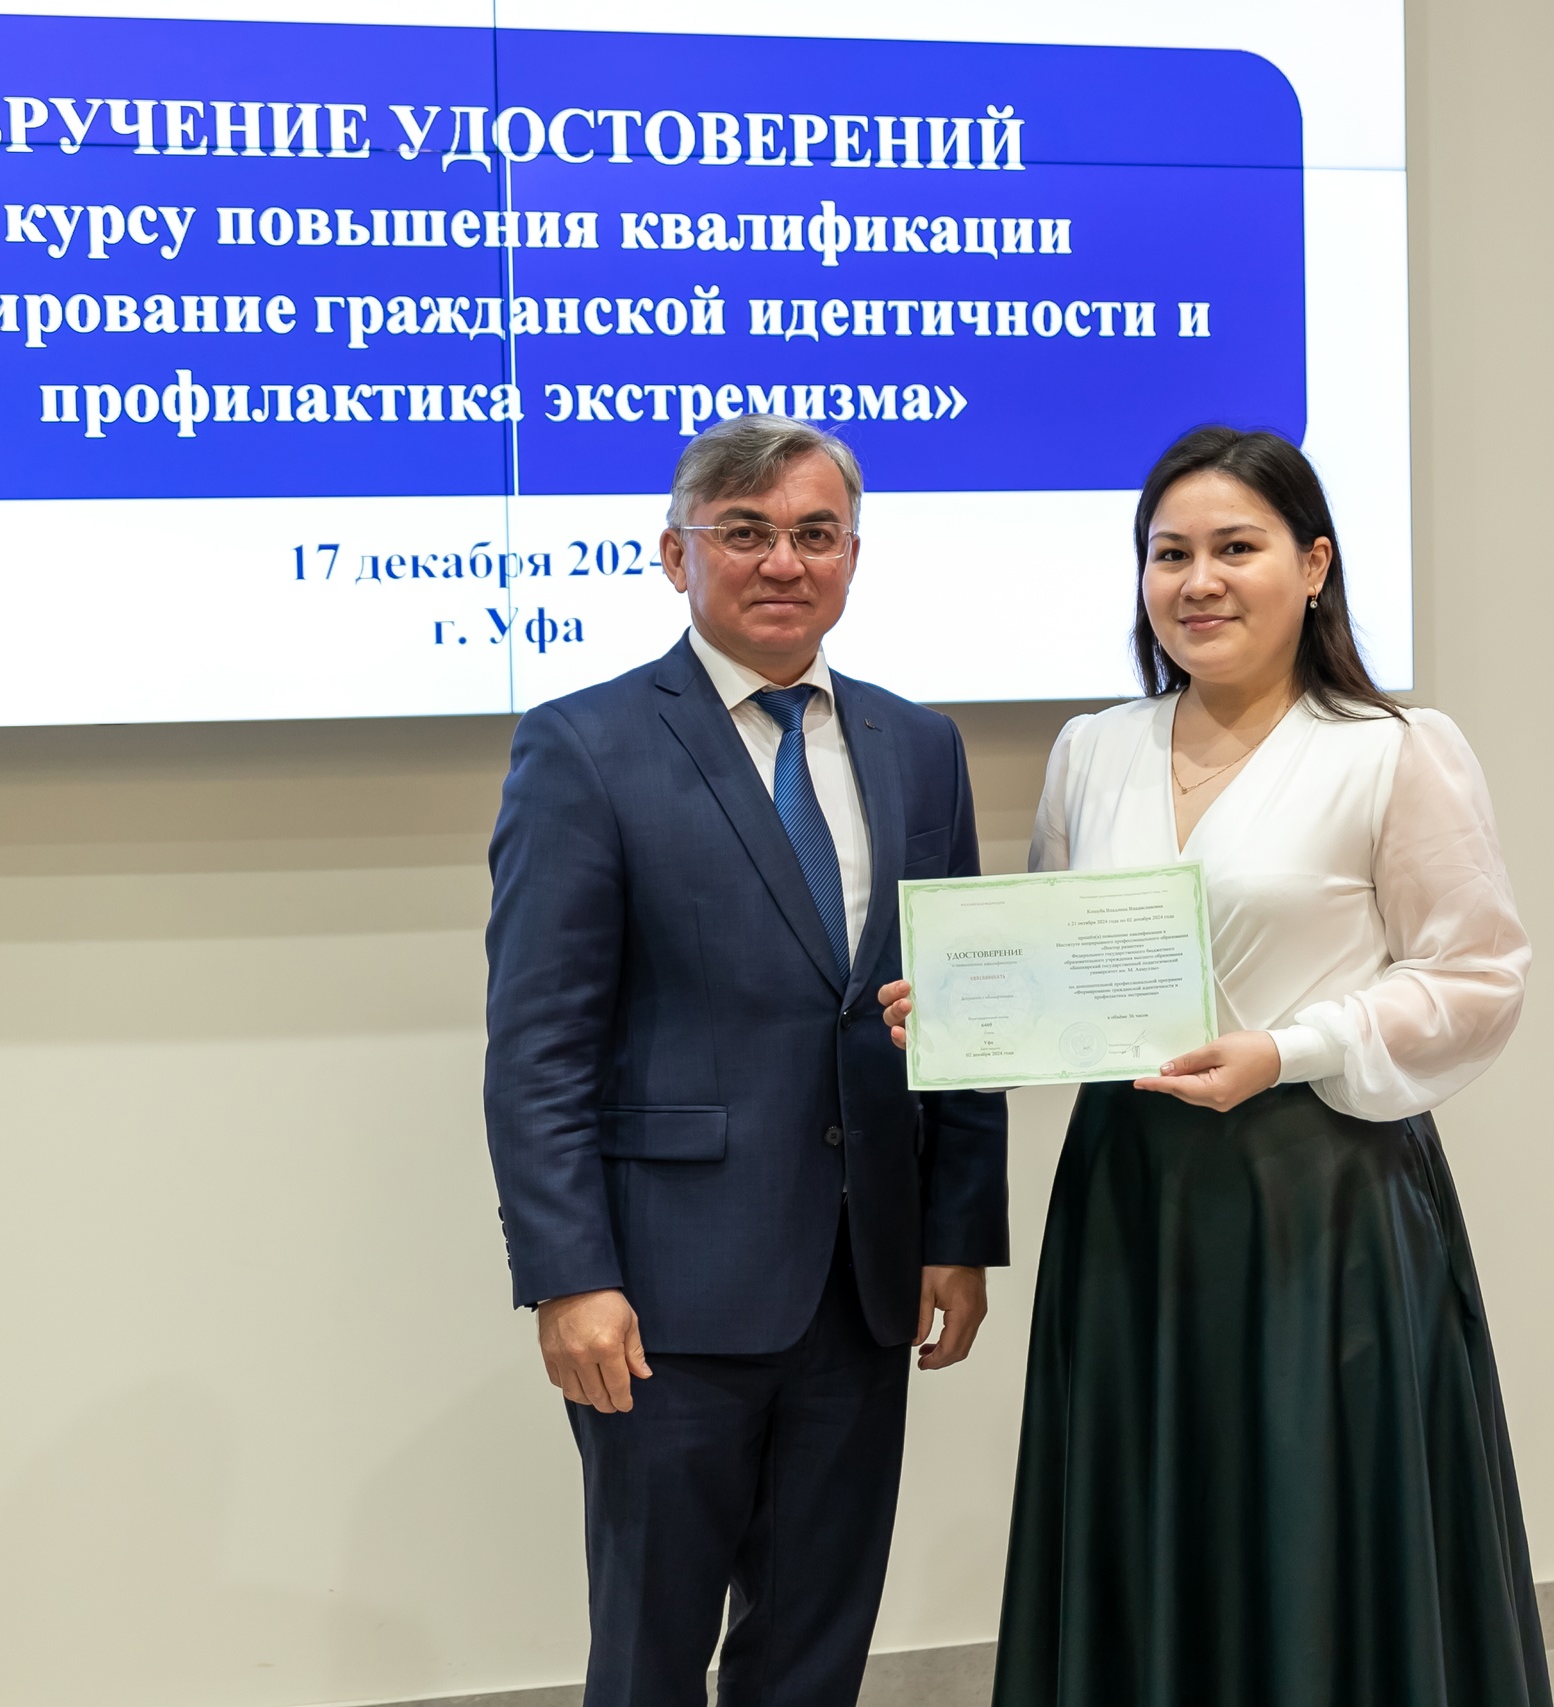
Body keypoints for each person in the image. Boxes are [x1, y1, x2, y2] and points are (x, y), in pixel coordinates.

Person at [882, 425, 1551, 1705]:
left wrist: (1290, 1049)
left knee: (1314, 1521)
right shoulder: (1095, 749)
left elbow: (1478, 976)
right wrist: (966, 1006)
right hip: (1129, 1195)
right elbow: (1066, 964)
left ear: (1314, 566)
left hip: (1321, 1197)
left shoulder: (1393, 747)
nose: (1198, 582)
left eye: (1235, 548)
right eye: (1168, 554)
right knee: (1145, 1515)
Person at [483, 413, 1011, 1707]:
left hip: (862, 1281)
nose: (785, 561)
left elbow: (962, 1008)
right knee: (651, 1651)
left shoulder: (919, 746)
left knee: (814, 1646)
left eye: (816, 533)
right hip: (664, 1295)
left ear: (852, 556)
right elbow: (539, 1043)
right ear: (677, 555)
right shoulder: (584, 744)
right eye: (746, 532)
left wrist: (958, 1231)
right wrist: (569, 1276)